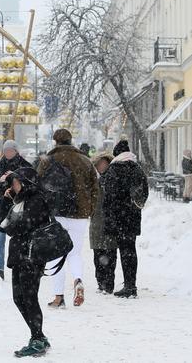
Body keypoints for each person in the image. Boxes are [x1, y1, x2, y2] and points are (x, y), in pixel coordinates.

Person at [37, 129, 98, 307]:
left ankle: (59, 297)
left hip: (57, 213)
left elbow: (38, 185)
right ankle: (78, 279)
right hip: (79, 214)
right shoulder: (85, 161)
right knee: (75, 253)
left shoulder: (48, 161)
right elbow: (95, 188)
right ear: (71, 141)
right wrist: (89, 209)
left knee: (57, 254)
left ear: (55, 142)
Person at [0, 167, 51, 358]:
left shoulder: (36, 199)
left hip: (31, 256)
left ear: (26, 183)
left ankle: (37, 339)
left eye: (16, 182)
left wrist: (13, 223)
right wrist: (8, 200)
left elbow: (20, 226)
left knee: (28, 298)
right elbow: (3, 223)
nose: (13, 186)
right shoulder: (21, 200)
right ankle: (38, 336)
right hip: (21, 255)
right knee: (19, 297)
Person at [102, 140, 149, 298]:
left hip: (117, 217)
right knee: (130, 251)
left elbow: (109, 194)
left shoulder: (114, 168)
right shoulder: (137, 168)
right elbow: (144, 193)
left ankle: (117, 285)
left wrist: (110, 212)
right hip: (132, 217)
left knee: (117, 251)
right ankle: (131, 284)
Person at [0, 140, 32, 280]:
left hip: (18, 207)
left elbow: (31, 185)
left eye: (10, 150)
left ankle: (20, 266)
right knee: (0, 239)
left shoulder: (25, 166)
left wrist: (16, 180)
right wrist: (1, 181)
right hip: (2, 207)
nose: (8, 153)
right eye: (5, 150)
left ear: (16, 151)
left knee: (19, 239)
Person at [89, 153, 117, 294]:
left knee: (110, 254)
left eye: (104, 164)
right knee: (98, 254)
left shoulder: (113, 179)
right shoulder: (93, 181)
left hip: (111, 221)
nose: (102, 167)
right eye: (99, 164)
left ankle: (109, 283)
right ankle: (101, 282)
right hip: (97, 222)